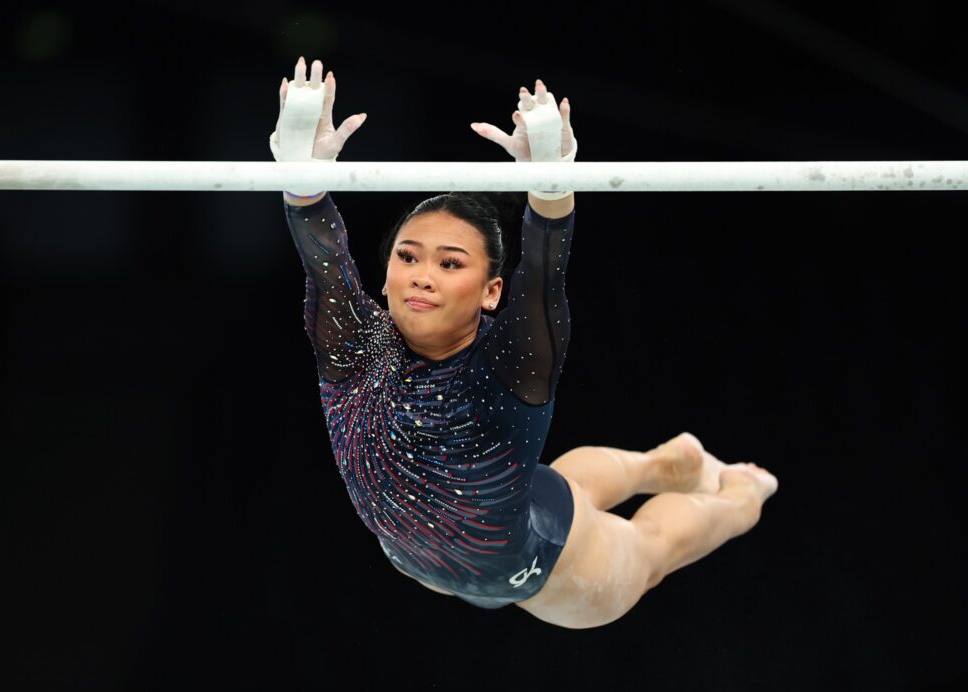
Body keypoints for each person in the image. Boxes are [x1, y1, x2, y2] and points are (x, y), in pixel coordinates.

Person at [271, 56, 778, 629]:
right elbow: (325, 261)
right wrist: (303, 182)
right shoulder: (354, 350)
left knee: (649, 551)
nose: (422, 274)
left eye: (450, 262)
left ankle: (742, 493)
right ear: (384, 275)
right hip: (453, 540)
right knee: (560, 484)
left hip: (546, 567)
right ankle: (662, 463)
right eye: (407, 257)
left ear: (491, 292)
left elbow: (543, 271)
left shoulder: (510, 363)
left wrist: (551, 190)